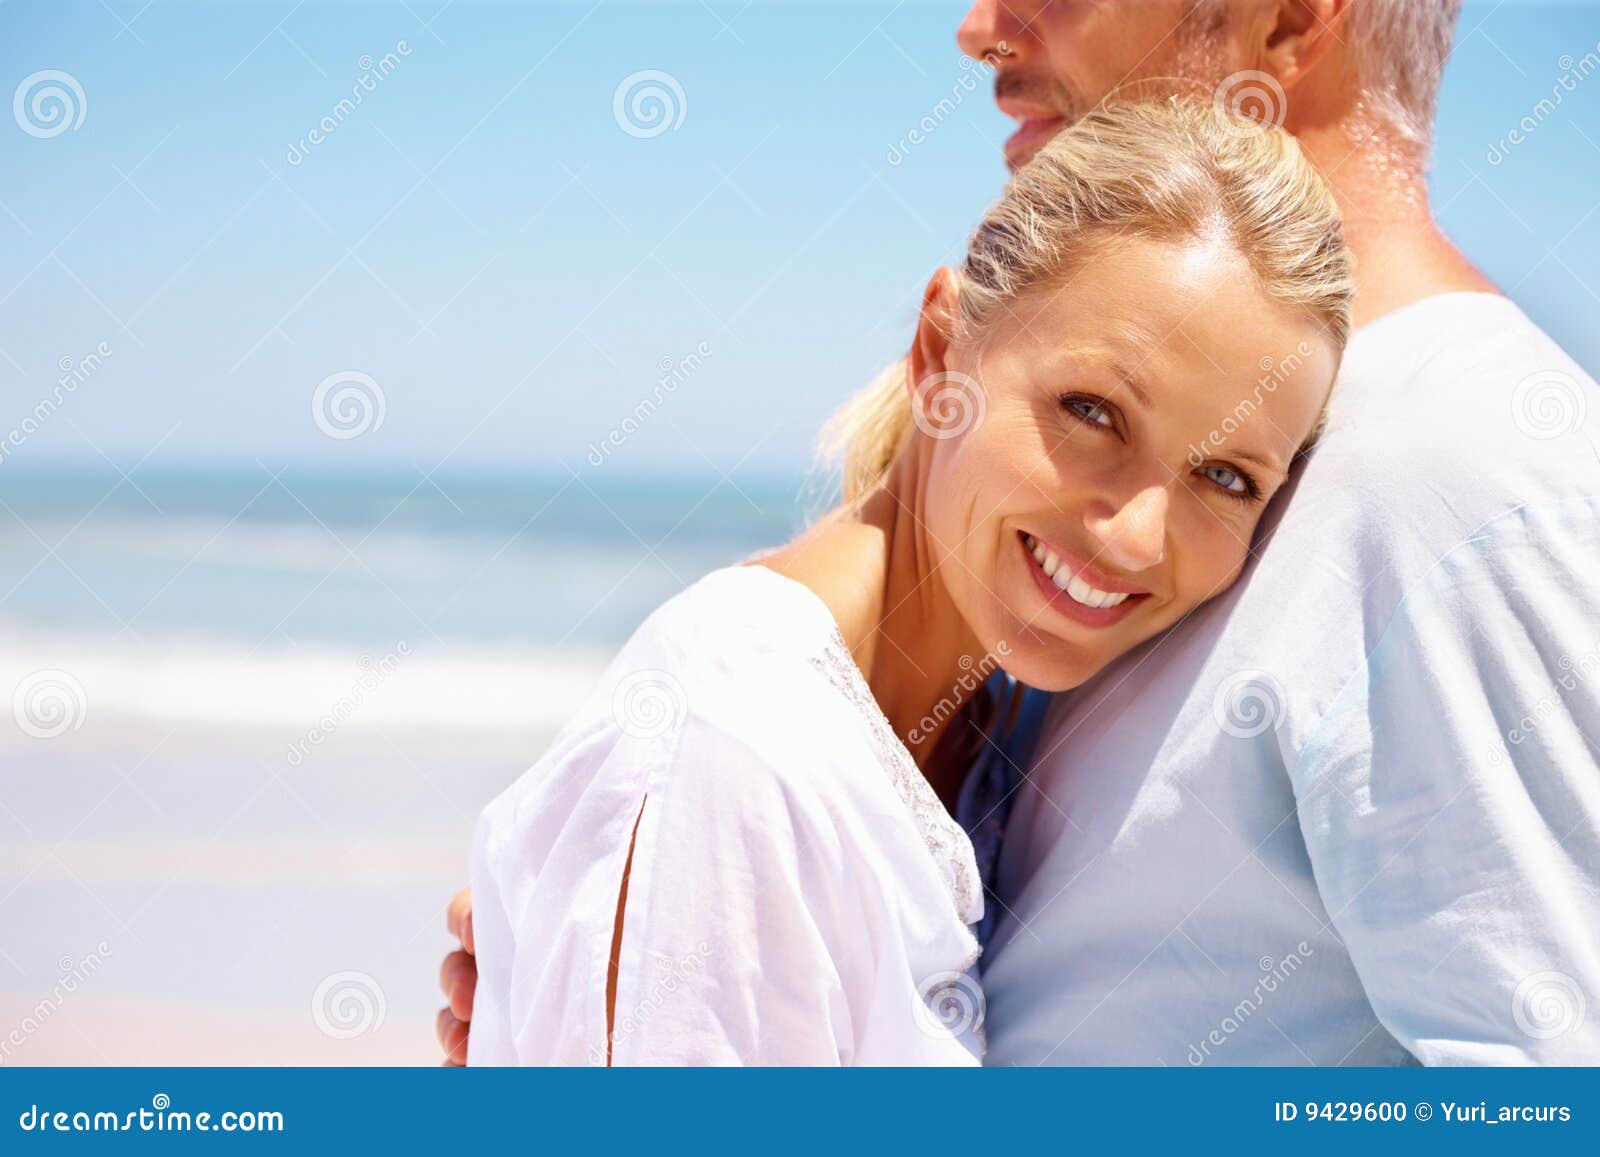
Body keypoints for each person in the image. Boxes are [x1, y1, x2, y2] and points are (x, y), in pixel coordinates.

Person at [442, 0, 1600, 1065]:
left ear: (1288, 18)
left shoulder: (1463, 476)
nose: (980, 28)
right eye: (1091, 413)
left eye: (1226, 476)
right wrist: (639, 934)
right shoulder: (920, 649)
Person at [464, 98, 1351, 1064]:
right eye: (1092, 410)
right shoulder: (741, 746)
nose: (1137, 536)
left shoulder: (1000, 737)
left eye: (1226, 477)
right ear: (940, 352)